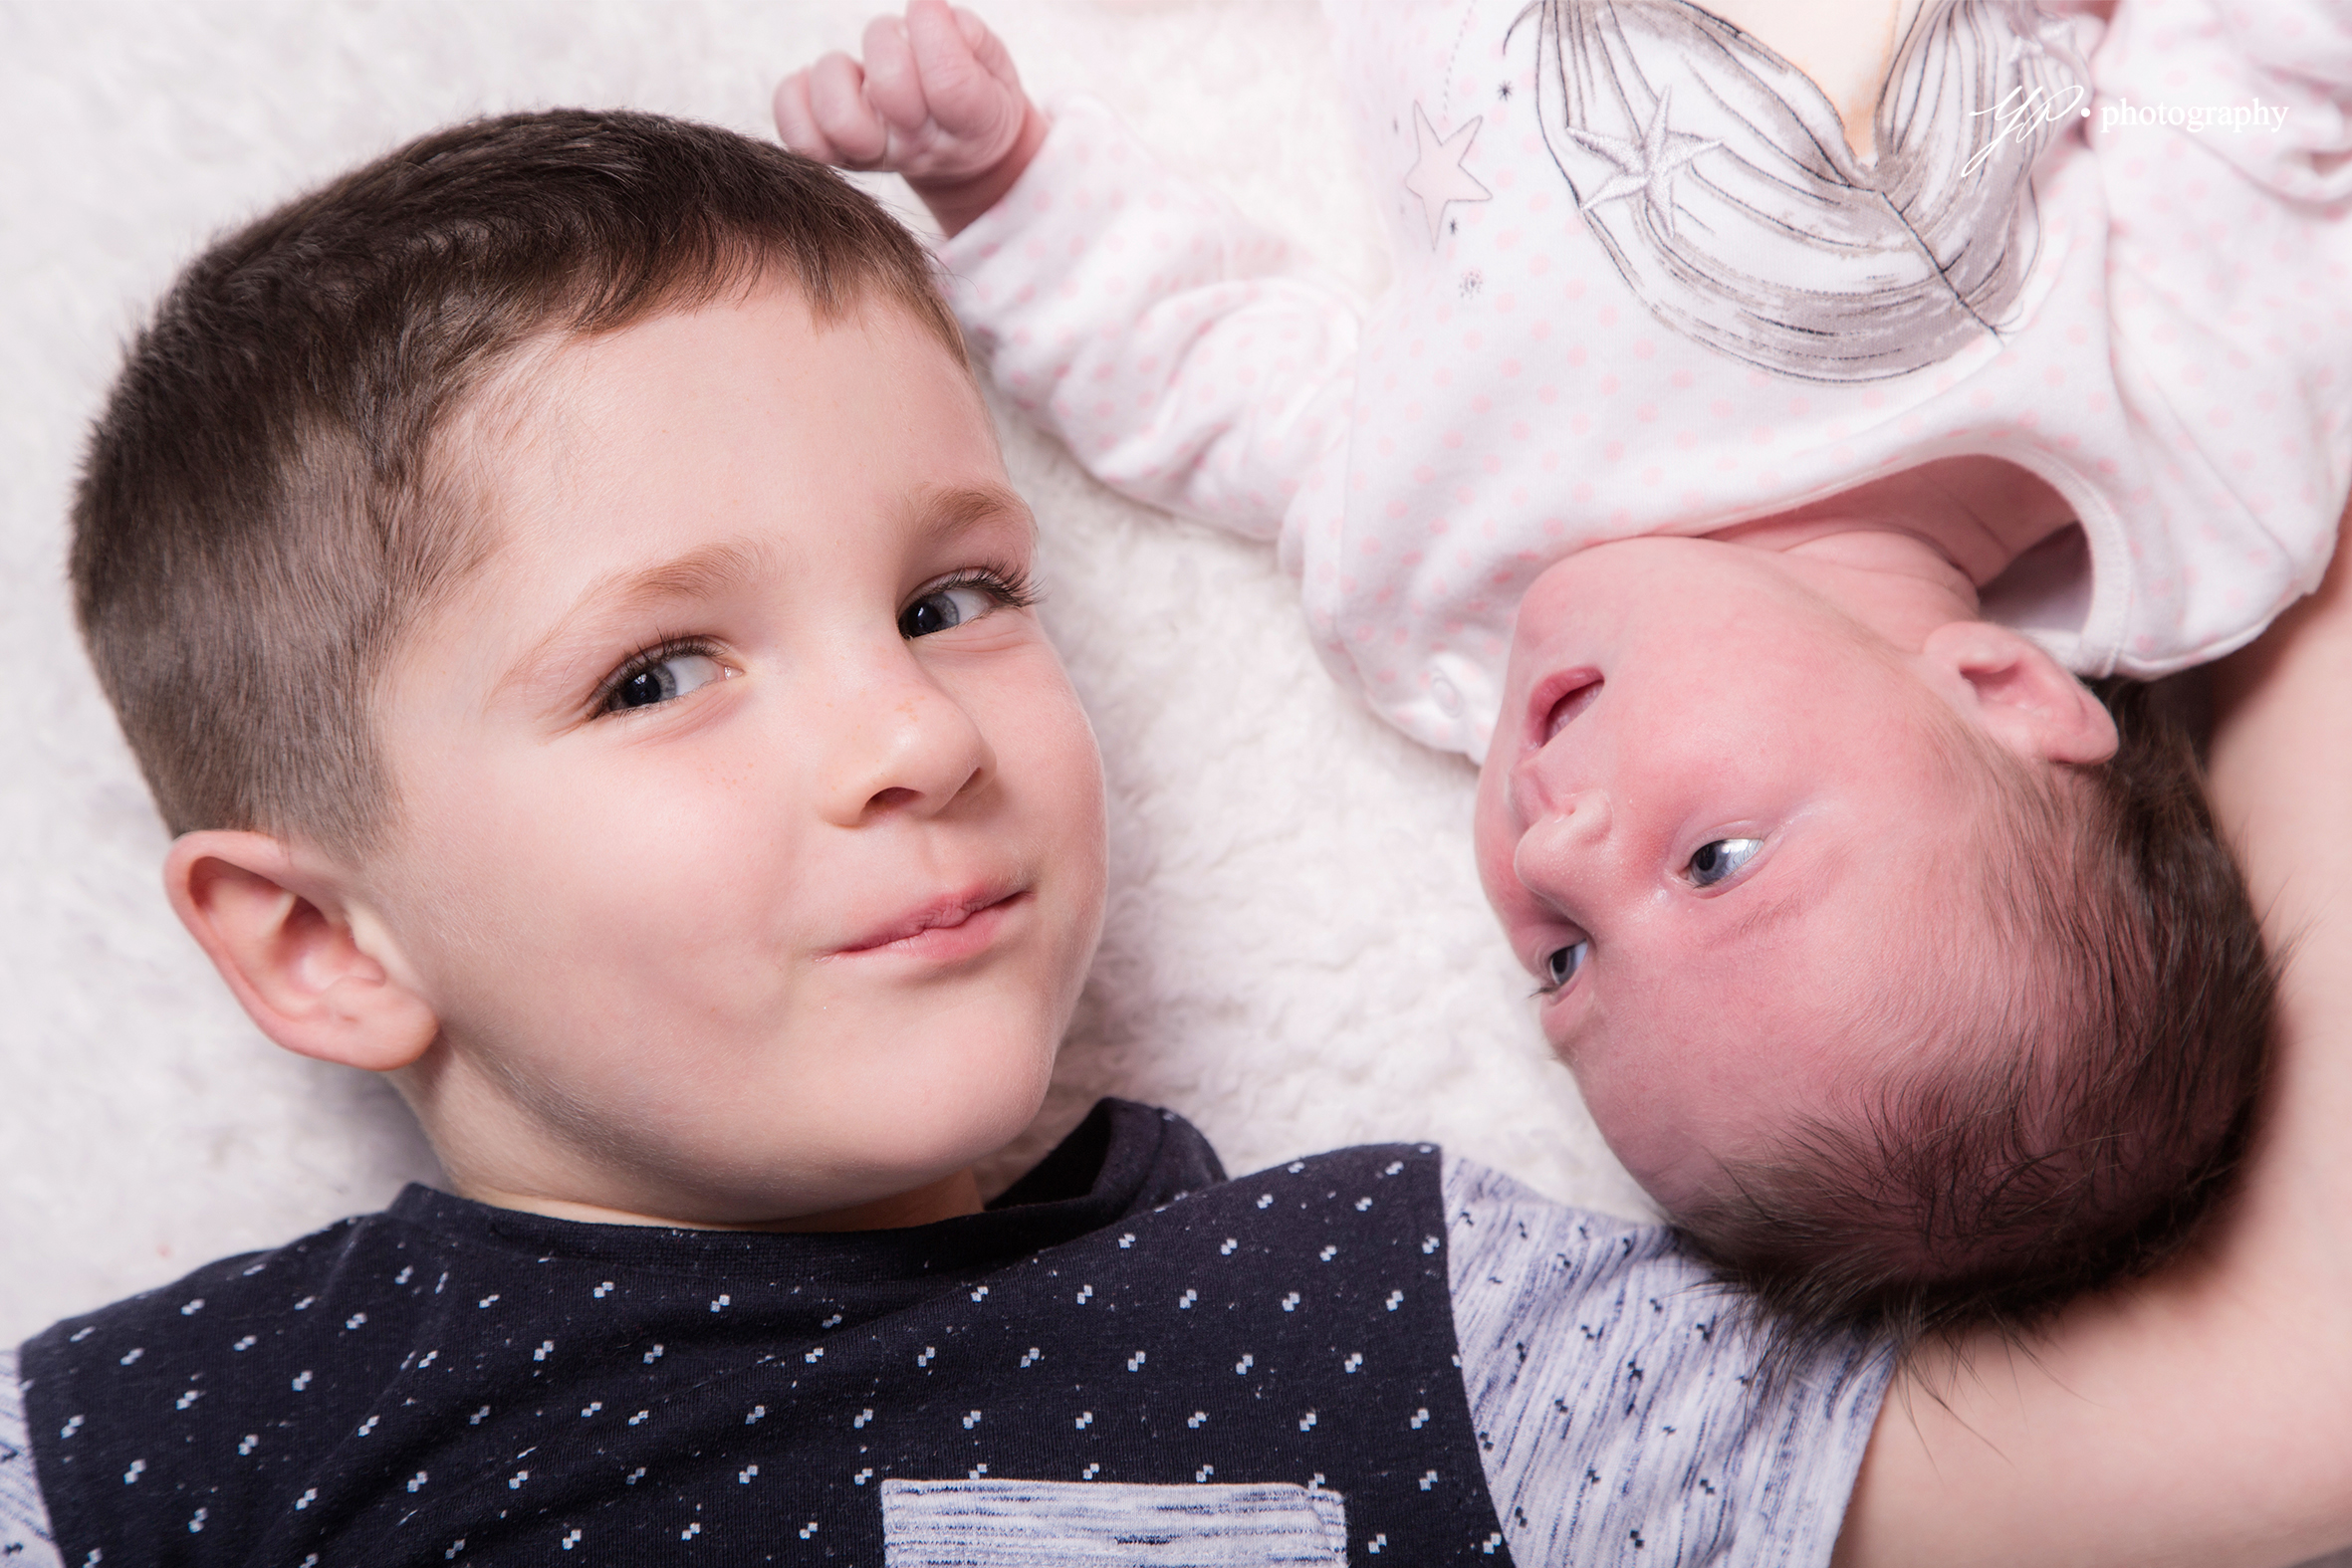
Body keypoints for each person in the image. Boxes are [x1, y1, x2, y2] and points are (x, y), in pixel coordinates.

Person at [0, 108, 1888, 1566]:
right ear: (323, 945)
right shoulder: (154, 1451)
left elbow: (2086, 1464)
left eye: (947, 601)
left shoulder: (1402, 1316)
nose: (916, 733)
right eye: (658, 675)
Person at [775, 0, 2352, 1333]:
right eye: (1713, 862)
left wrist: (1005, 184)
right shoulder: (2178, 469)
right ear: (2002, 698)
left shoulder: (1440, 596)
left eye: (1566, 961)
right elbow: (2256, 93)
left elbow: (1207, 376)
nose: (1554, 852)